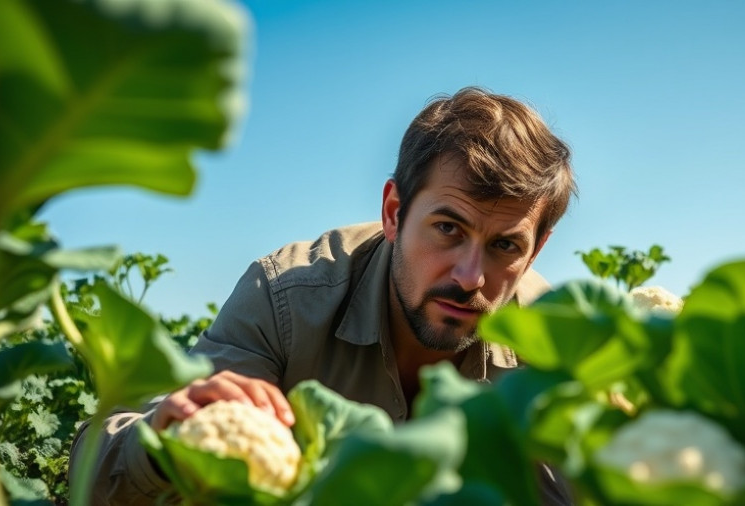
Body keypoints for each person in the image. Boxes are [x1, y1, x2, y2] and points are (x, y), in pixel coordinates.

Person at [70, 86, 577, 504]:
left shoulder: (560, 354)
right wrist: (162, 439)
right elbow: (95, 474)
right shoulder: (286, 297)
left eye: (504, 245)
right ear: (394, 213)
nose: (470, 276)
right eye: (448, 228)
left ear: (535, 251)